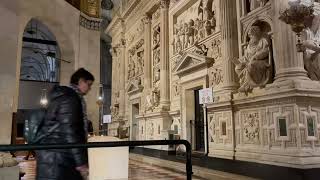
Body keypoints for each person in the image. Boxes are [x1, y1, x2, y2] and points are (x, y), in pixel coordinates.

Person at [36, 68, 94, 180]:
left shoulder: (64, 96)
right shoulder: (70, 98)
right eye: (89, 84)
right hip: (58, 159)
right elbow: (70, 131)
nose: (90, 88)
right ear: (81, 81)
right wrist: (81, 163)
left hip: (55, 156)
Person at [235, 25, 271, 93]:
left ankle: (248, 85)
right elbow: (245, 57)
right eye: (250, 36)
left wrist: (255, 56)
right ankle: (246, 84)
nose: (250, 38)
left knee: (251, 65)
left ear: (256, 33)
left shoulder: (263, 41)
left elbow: (266, 51)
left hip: (261, 62)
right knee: (238, 68)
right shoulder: (249, 46)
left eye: (251, 35)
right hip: (250, 63)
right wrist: (240, 61)